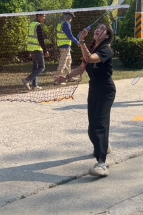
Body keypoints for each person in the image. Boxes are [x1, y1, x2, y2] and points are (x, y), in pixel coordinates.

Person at [56, 23, 116, 177]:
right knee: (92, 128)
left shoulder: (106, 50)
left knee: (99, 125)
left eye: (102, 29)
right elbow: (82, 67)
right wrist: (66, 77)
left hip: (106, 90)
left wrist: (81, 41)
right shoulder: (92, 48)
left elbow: (89, 59)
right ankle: (104, 145)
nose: (98, 30)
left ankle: (101, 163)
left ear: (107, 36)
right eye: (97, 28)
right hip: (94, 89)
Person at [22, 11, 49, 90]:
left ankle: (35, 85)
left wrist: (30, 51)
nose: (44, 18)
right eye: (43, 16)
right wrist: (45, 51)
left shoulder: (31, 24)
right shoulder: (38, 25)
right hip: (37, 49)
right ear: (38, 16)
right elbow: (41, 39)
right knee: (41, 67)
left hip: (31, 48)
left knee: (36, 67)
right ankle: (27, 80)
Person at [54, 12, 80, 84]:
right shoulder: (65, 24)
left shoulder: (60, 24)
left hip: (64, 46)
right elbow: (70, 35)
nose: (71, 19)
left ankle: (70, 77)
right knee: (63, 63)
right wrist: (77, 42)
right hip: (65, 46)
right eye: (71, 17)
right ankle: (57, 79)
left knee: (68, 62)